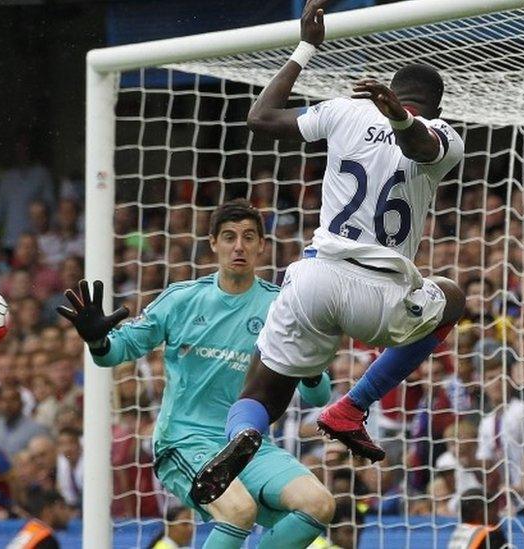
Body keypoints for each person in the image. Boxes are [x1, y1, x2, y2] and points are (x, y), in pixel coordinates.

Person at [193, 0, 465, 504]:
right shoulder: (447, 136)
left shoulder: (344, 110)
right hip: (384, 298)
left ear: (399, 94)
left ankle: (242, 437)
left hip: (316, 278)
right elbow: (424, 148)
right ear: (438, 108)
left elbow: (260, 116)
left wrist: (307, 47)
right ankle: (353, 406)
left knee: (260, 394)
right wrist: (402, 121)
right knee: (449, 296)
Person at [59, 199, 336, 549]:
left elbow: (318, 396)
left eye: (249, 237)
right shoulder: (181, 300)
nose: (239, 246)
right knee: (237, 511)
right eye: (230, 236)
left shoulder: (281, 308)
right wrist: (97, 339)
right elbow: (114, 352)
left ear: (262, 246)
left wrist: (309, 365)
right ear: (213, 243)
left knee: (319, 504)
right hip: (184, 442)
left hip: (248, 445)